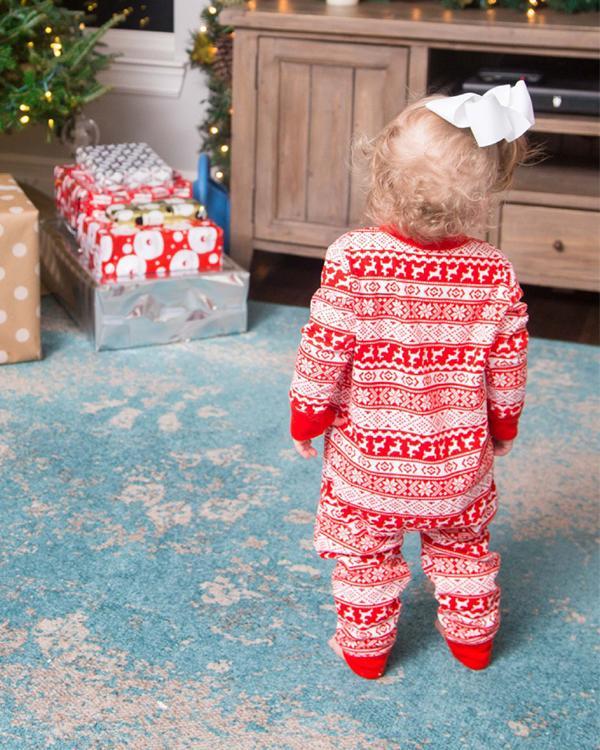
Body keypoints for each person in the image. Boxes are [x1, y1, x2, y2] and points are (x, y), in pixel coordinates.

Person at [288, 83, 535, 679]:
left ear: (380, 176)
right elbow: (508, 366)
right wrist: (503, 426)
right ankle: (473, 642)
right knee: (463, 548)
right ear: (486, 192)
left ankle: (366, 651)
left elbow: (323, 350)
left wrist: (307, 416)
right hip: (456, 464)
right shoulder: (493, 272)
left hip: (369, 468)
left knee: (364, 558)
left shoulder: (353, 258)